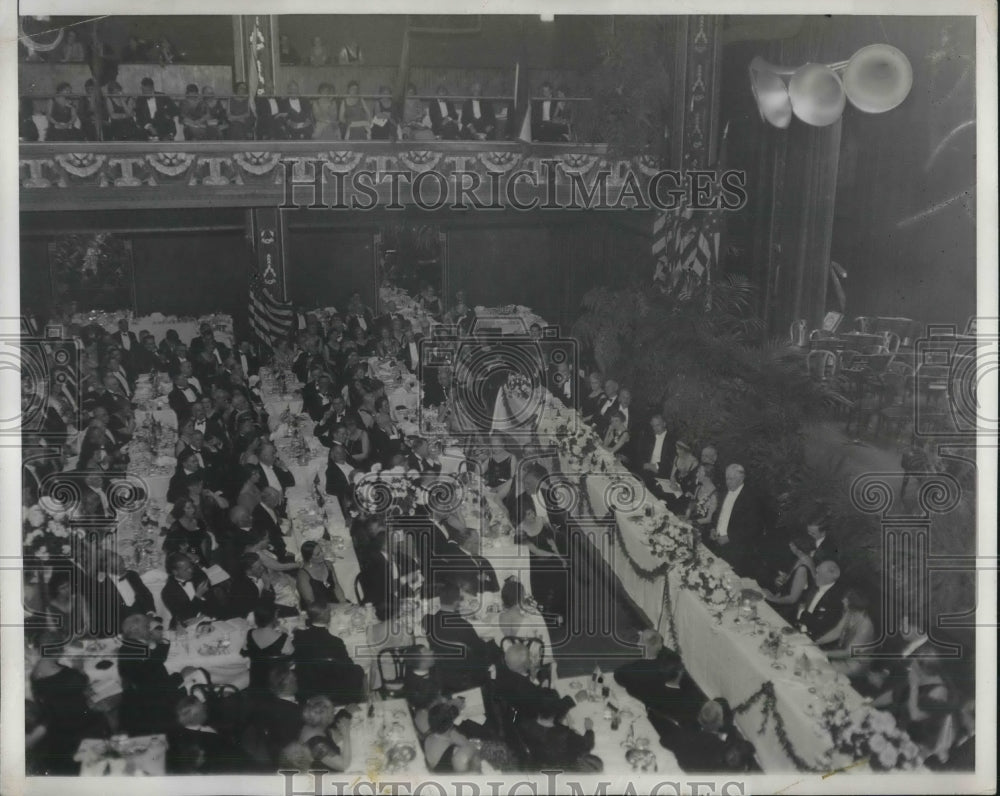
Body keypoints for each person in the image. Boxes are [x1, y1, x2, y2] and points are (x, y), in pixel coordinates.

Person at [30, 632, 108, 774]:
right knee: (108, 706)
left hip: (58, 726)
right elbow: (83, 681)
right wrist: (79, 667)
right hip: (79, 726)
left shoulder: (36, 672)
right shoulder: (69, 675)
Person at [613, 630, 703, 737]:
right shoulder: (673, 662)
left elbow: (618, 675)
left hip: (660, 711)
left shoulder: (638, 670)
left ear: (643, 646)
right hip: (682, 710)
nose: (638, 643)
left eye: (640, 641)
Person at [421, 580, 501, 695]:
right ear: (457, 602)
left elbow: (425, 619)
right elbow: (480, 651)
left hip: (442, 672)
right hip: (466, 675)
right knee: (494, 648)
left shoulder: (429, 620)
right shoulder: (463, 626)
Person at [118, 614, 185, 736]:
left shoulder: (126, 647)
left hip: (138, 699)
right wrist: (181, 676)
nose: (149, 630)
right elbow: (160, 683)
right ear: (135, 631)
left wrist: (158, 642)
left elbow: (156, 658)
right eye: (147, 627)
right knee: (197, 677)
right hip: (156, 703)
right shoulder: (142, 652)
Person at [292, 601, 367, 704]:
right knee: (358, 669)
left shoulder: (299, 636)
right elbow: (347, 666)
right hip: (331, 686)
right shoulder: (335, 642)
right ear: (328, 617)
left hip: (308, 684)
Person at [709, 463, 770, 579]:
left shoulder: (751, 498)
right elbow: (718, 513)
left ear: (741, 479)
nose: (727, 482)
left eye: (731, 479)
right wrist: (713, 528)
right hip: (716, 542)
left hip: (735, 549)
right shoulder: (724, 491)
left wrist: (729, 537)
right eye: (726, 478)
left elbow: (754, 528)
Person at [513, 504, 568, 626]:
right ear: (522, 516)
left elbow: (551, 542)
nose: (532, 515)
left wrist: (560, 557)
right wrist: (555, 557)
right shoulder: (520, 531)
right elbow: (536, 551)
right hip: (536, 561)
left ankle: (559, 610)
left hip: (550, 555)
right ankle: (550, 612)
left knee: (562, 576)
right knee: (553, 578)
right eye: (528, 514)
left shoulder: (541, 520)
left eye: (532, 512)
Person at [519, 689, 599, 771]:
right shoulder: (565, 735)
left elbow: (548, 705)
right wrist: (589, 730)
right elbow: (587, 746)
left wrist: (574, 699)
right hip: (561, 769)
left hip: (535, 762)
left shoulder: (523, 723)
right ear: (557, 708)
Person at [814, 588, 877, 680]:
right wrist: (817, 642)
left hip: (854, 664)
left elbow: (848, 653)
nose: (843, 600)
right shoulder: (850, 612)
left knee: (821, 669)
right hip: (842, 656)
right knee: (817, 664)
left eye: (846, 599)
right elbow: (836, 632)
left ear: (854, 604)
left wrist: (824, 653)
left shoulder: (866, 626)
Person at [167, 696, 241, 773]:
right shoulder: (209, 733)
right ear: (196, 715)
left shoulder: (178, 734)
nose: (205, 710)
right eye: (204, 710)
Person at [242, 602, 294, 695]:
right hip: (276, 684)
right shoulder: (283, 638)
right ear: (274, 617)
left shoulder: (249, 634)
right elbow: (291, 653)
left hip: (255, 682)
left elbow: (244, 650)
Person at [761, 535, 816, 622]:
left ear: (799, 549)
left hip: (788, 611)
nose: (790, 545)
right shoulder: (804, 558)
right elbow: (792, 582)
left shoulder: (803, 569)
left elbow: (792, 599)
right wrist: (783, 579)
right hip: (783, 599)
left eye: (792, 544)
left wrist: (772, 599)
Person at [161, 552, 218, 628]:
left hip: (209, 618)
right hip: (185, 626)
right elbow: (184, 616)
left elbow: (213, 602)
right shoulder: (168, 592)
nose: (191, 570)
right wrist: (198, 596)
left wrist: (203, 617)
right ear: (175, 572)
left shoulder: (199, 576)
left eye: (190, 566)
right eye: (186, 569)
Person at [422, 701, 482, 773]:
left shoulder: (428, 738)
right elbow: (472, 750)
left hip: (438, 768)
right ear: (451, 724)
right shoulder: (455, 751)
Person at [795, 560, 846, 641]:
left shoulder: (837, 600)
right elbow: (799, 601)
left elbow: (823, 627)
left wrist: (801, 613)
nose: (815, 575)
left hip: (812, 639)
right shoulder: (814, 582)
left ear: (828, 577)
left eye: (818, 573)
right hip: (796, 627)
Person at [297, 540, 347, 609]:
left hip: (334, 603)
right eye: (318, 554)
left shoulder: (328, 564)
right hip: (318, 611)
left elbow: (336, 586)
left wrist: (343, 602)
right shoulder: (303, 575)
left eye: (321, 551)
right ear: (310, 558)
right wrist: (337, 606)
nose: (322, 554)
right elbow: (311, 602)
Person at [685, 465, 720, 536]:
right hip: (689, 524)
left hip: (700, 530)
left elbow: (708, 519)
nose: (696, 474)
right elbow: (694, 504)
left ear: (707, 476)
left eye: (699, 472)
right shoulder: (698, 488)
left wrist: (691, 522)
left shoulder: (713, 495)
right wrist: (686, 517)